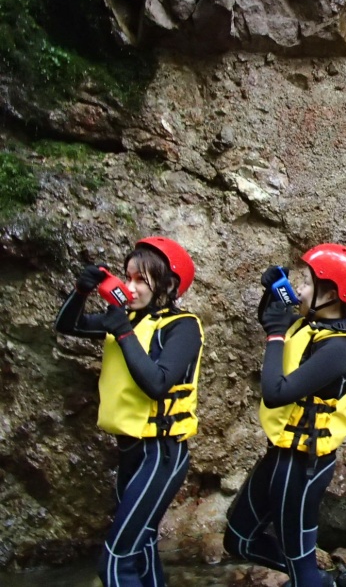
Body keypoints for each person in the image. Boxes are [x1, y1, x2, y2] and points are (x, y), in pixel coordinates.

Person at [54, 237, 203, 586]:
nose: (130, 287)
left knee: (115, 561)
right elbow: (67, 326)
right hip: (130, 450)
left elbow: (158, 383)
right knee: (143, 545)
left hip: (161, 452)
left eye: (141, 280)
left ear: (167, 286)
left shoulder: (183, 326)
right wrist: (80, 291)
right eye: (128, 277)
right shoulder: (127, 320)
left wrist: (121, 329)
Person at [224, 244, 346, 587]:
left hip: (304, 464)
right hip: (281, 454)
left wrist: (276, 334)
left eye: (306, 282)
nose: (300, 289)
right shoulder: (312, 324)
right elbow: (272, 318)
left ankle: (312, 580)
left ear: (331, 294)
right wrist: (270, 295)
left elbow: (275, 393)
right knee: (238, 539)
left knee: (298, 559)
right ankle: (318, 580)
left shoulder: (340, 348)